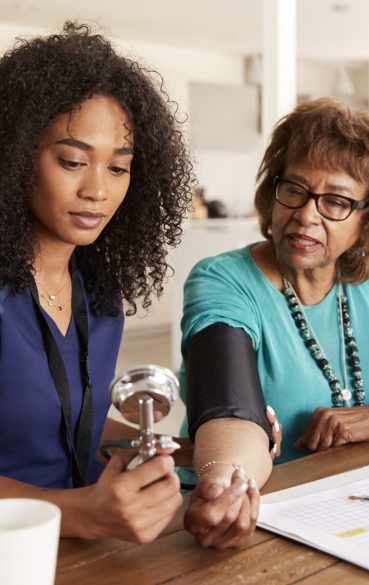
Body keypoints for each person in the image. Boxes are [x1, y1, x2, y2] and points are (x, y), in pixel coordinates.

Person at [180, 98, 369, 548]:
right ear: (274, 191)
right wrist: (227, 485)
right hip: (269, 522)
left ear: (368, 219)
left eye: (337, 202)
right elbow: (230, 410)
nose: (307, 214)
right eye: (295, 190)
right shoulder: (222, 280)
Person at [0, 22, 195, 543]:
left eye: (119, 168)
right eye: (72, 161)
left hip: (82, 558)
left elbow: (64, 426)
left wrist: (173, 446)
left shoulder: (100, 296)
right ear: (14, 158)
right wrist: (76, 511)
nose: (96, 190)